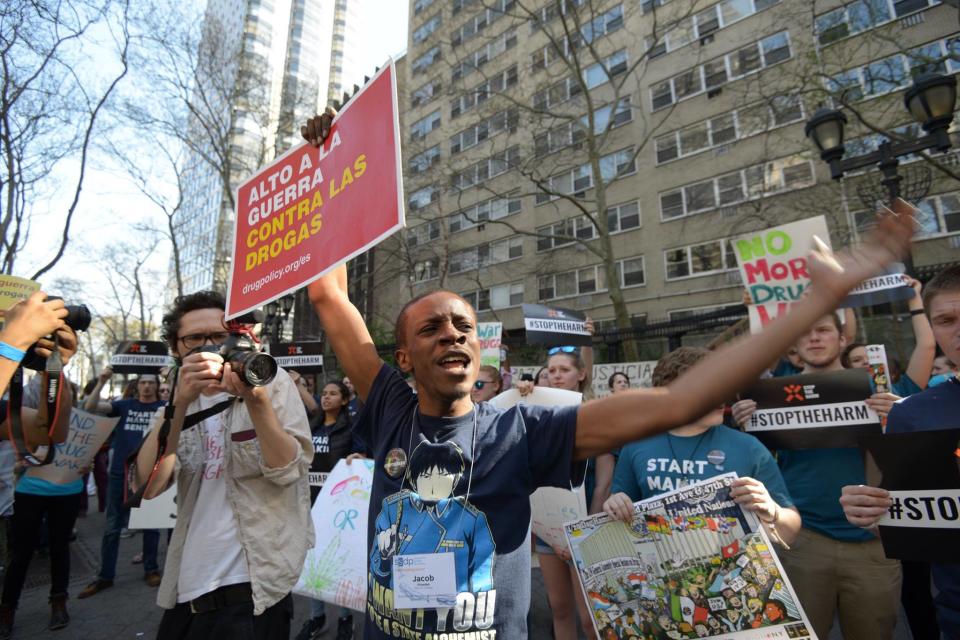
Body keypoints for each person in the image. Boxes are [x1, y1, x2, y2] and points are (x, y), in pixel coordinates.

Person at [302, 110, 915, 638]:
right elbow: (330, 297)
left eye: (463, 326)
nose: (452, 336)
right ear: (403, 358)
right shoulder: (387, 407)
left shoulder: (521, 432)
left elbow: (682, 400)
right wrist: (325, 166)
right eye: (431, 329)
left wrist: (815, 301)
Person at [132, 291, 312, 640]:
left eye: (219, 335)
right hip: (187, 586)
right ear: (176, 347)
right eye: (194, 339)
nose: (209, 346)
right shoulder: (174, 403)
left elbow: (288, 470)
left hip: (254, 584)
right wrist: (178, 403)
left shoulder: (272, 386)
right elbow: (149, 487)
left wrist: (254, 398)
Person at [731, 313, 903, 639]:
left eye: (823, 330)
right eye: (805, 332)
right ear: (794, 346)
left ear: (841, 339)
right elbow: (759, 465)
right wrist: (747, 427)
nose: (814, 338)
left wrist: (899, 420)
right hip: (802, 541)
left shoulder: (873, 389)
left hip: (873, 542)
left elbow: (905, 462)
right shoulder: (770, 396)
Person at [840, 264, 960, 639]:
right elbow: (905, 517)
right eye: (946, 319)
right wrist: (870, 511)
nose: (959, 329)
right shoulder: (913, 413)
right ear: (934, 327)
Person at [603, 347, 801, 548]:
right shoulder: (637, 445)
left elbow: (791, 531)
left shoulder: (748, 447)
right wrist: (615, 505)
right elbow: (619, 515)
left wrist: (773, 511)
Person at [0, 327, 78, 638]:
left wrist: (54, 370)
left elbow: (52, 431)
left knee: (56, 548)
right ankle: (8, 609)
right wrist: (13, 342)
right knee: (21, 554)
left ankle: (58, 602)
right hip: (28, 489)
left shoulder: (10, 405)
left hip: (58, 488)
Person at [533, 345, 612, 640]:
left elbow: (604, 481)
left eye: (563, 370)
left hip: (586, 532)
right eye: (551, 371)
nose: (555, 376)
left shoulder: (595, 415)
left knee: (591, 617)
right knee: (559, 608)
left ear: (580, 374)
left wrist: (584, 532)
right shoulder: (537, 416)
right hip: (547, 531)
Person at [79, 370, 165, 597]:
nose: (147, 387)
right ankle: (105, 576)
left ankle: (151, 569)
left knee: (151, 526)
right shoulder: (124, 406)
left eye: (151, 383)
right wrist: (102, 380)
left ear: (157, 386)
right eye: (143, 383)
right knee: (112, 527)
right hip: (120, 473)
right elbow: (90, 407)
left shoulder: (165, 408)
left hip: (151, 474)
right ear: (137, 386)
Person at [296, 380, 359, 640]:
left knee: (337, 563)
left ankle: (345, 618)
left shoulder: (351, 428)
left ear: (344, 400)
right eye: (324, 393)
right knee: (312, 562)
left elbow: (362, 454)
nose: (326, 398)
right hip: (308, 504)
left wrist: (359, 456)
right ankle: (316, 617)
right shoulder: (311, 426)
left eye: (333, 394)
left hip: (337, 508)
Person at [840, 277, 935, 397]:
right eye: (856, 360)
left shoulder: (904, 389)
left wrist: (914, 298)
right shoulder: (840, 395)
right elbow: (848, 337)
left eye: (873, 358)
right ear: (845, 367)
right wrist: (844, 299)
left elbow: (927, 345)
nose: (866, 362)